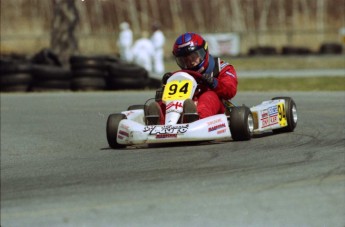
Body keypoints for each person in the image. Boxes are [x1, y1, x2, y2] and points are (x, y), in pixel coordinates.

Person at [148, 32, 238, 124]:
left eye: (193, 57)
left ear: (203, 52)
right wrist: (166, 86)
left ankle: (197, 120)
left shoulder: (221, 67)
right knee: (167, 100)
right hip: (187, 106)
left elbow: (230, 90)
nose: (190, 63)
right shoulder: (182, 74)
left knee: (209, 95)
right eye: (184, 60)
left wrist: (213, 83)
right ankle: (158, 121)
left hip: (217, 109)